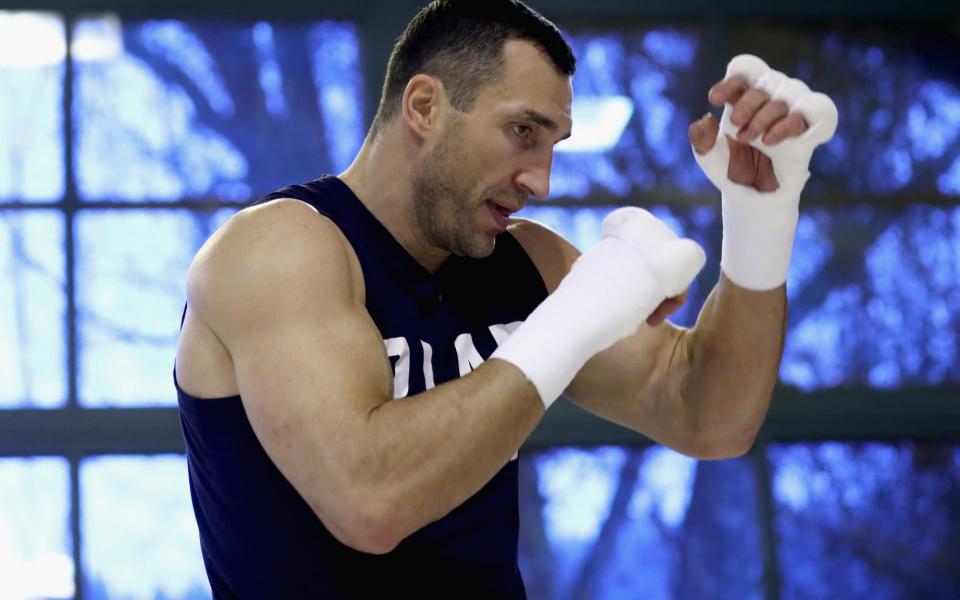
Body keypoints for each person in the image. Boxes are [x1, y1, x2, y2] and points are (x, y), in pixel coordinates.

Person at [174, 0, 837, 597]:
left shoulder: (526, 261)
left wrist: (760, 220)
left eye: (554, 145)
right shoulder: (277, 250)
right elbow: (368, 500)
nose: (541, 181)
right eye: (524, 132)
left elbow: (709, 416)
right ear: (425, 107)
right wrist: (571, 321)